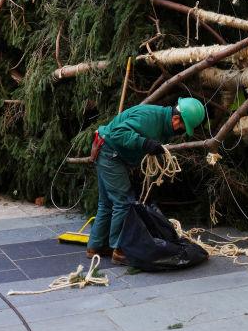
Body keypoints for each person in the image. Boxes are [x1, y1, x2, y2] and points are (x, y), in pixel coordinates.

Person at [87, 97, 207, 264]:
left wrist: (148, 147)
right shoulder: (149, 118)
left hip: (107, 151)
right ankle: (120, 249)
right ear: (175, 118)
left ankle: (96, 247)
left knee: (106, 203)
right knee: (123, 202)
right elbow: (117, 133)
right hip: (110, 153)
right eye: (181, 127)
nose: (181, 131)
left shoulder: (161, 121)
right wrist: (144, 144)